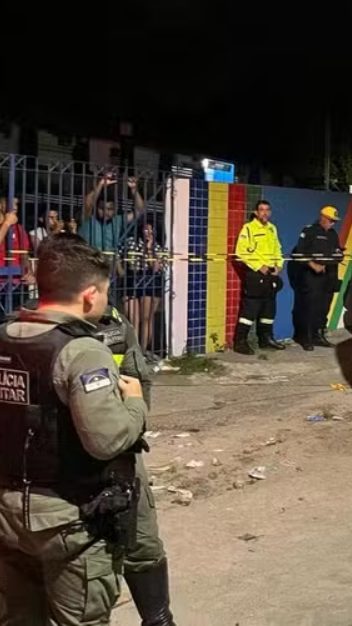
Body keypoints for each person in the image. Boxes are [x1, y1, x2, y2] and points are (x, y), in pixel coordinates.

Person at [13, 233, 174, 625]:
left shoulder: (111, 326)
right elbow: (108, 435)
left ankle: (158, 619)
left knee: (142, 545)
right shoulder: (66, 343)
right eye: (103, 291)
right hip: (77, 492)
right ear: (88, 292)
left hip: (51, 490)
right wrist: (133, 409)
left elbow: (136, 373)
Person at [233, 199, 285, 355]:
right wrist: (259, 266)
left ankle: (266, 339)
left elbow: (277, 248)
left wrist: (279, 265)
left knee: (269, 309)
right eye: (261, 209)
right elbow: (241, 253)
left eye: (267, 210)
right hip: (255, 274)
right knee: (250, 310)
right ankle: (240, 342)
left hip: (271, 274)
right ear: (256, 212)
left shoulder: (272, 229)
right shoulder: (248, 228)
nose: (265, 212)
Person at [291, 205, 342, 351]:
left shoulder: (333, 234)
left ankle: (318, 335)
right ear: (323, 218)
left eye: (335, 221)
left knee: (324, 307)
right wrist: (312, 264)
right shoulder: (309, 231)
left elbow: (337, 251)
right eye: (331, 220)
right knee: (309, 307)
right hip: (312, 276)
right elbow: (299, 253)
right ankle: (305, 338)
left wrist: (339, 254)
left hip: (329, 276)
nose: (333, 223)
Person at [120, 222, 169, 353]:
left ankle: (142, 351)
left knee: (146, 319)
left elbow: (157, 268)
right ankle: (132, 351)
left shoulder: (160, 248)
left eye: (151, 230)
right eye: (145, 229)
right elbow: (119, 257)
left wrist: (149, 248)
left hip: (150, 282)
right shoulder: (131, 242)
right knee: (132, 319)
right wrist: (121, 273)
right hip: (132, 280)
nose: (148, 232)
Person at [82, 174, 146, 255]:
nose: (105, 212)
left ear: (115, 210)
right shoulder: (88, 219)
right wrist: (100, 185)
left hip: (109, 263)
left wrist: (134, 190)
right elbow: (88, 203)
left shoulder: (117, 220)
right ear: (96, 208)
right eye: (101, 209)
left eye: (110, 209)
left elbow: (139, 211)